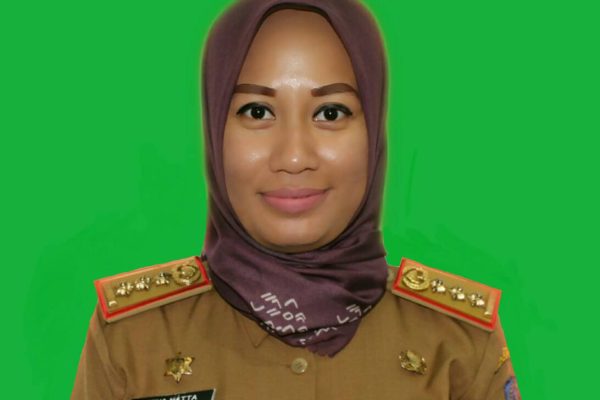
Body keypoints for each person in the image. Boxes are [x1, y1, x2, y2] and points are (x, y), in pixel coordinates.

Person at [72, 0, 520, 399]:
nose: (293, 157)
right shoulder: (134, 338)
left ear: (374, 135)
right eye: (257, 111)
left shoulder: (456, 342)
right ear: (213, 131)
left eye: (330, 112)